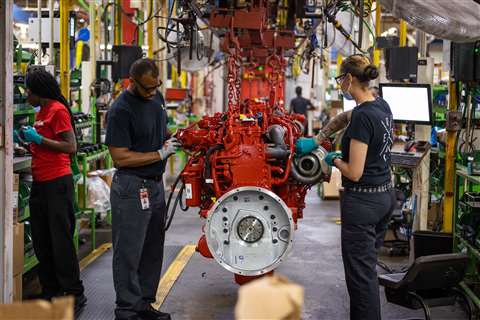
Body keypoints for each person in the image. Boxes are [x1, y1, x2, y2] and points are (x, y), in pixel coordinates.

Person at [296, 54, 395, 320]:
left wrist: (334, 159)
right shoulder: (380, 105)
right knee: (367, 270)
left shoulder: (363, 118)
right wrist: (317, 139)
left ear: (350, 79)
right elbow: (343, 118)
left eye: (341, 79)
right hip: (385, 197)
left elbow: (355, 171)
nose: (340, 84)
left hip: (363, 204)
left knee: (360, 280)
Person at [106, 58, 179, 320]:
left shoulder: (156, 99)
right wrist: (159, 154)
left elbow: (161, 130)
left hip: (155, 186)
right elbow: (121, 157)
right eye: (146, 88)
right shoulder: (120, 111)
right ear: (131, 82)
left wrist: (175, 138)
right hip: (131, 186)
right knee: (128, 250)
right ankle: (126, 309)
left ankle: (144, 304)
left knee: (151, 249)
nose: (151, 92)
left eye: (155, 87)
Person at [23, 68, 87, 312]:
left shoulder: (58, 111)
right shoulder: (42, 113)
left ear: (38, 92)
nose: (26, 95)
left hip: (57, 183)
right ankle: (50, 291)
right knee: (42, 240)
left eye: (28, 91)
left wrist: (39, 140)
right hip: (40, 182)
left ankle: (73, 292)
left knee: (60, 240)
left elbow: (71, 146)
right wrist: (28, 141)